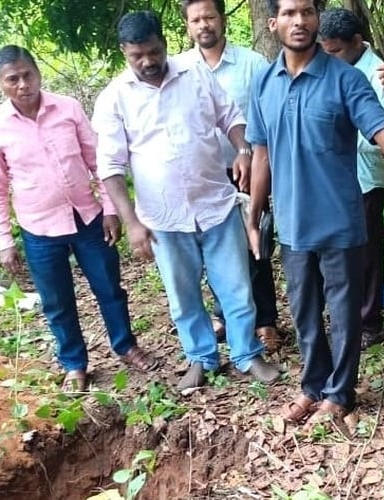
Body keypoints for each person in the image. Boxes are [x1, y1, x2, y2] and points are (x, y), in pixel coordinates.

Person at [92, 11, 280, 391]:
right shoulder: (115, 98)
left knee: (236, 287)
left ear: (165, 42)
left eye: (154, 51)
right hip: (163, 219)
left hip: (216, 205)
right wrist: (131, 222)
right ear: (124, 53)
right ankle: (201, 358)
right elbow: (110, 167)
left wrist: (242, 148)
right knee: (183, 296)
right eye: (137, 56)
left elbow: (230, 116)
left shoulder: (195, 74)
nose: (147, 61)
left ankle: (246, 354)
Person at [246, 0, 384, 425]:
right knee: (303, 312)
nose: (299, 21)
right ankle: (311, 386)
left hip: (340, 221)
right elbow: (260, 155)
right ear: (273, 22)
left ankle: (340, 393)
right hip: (292, 225)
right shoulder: (263, 82)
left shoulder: (346, 79)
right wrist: (254, 214)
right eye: (290, 13)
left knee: (343, 312)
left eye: (307, 12)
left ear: (316, 19)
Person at [0, 45, 159, 393]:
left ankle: (125, 346)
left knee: (109, 288)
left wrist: (110, 209)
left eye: (27, 75)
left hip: (88, 219)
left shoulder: (67, 108)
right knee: (57, 301)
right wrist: (4, 241)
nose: (22, 84)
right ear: (0, 84)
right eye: (12, 79)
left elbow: (98, 161)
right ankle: (74, 364)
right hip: (39, 229)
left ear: (37, 73)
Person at [176, 0, 282, 353]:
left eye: (209, 17)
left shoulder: (252, 64)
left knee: (255, 244)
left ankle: (266, 320)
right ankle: (225, 314)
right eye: (196, 20)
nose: (204, 25)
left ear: (222, 19)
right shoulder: (178, 69)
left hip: (250, 168)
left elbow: (269, 114)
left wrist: (252, 156)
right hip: (202, 175)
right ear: (188, 26)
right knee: (213, 248)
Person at [318, 8, 384, 350]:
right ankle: (345, 316)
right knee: (338, 251)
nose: (330, 57)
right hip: (331, 179)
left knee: (366, 251)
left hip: (364, 177)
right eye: (326, 50)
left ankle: (369, 322)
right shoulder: (331, 72)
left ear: (357, 42)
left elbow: (383, 136)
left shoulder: (377, 75)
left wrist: (335, 136)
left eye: (336, 51)